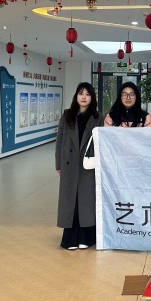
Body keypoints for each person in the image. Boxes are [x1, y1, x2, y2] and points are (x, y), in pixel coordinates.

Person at [55, 82, 104, 250]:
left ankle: (86, 237)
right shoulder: (67, 116)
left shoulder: (98, 117)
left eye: (87, 94)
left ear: (92, 98)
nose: (84, 97)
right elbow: (59, 141)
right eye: (81, 93)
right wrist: (59, 164)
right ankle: (69, 239)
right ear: (76, 96)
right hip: (69, 164)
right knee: (71, 201)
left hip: (88, 165)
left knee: (86, 201)